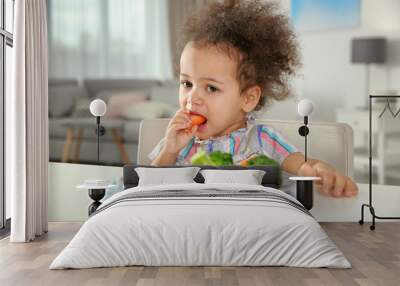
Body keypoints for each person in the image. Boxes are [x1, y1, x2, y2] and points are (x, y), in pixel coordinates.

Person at [150, 0, 357, 198]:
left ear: (248, 98)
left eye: (211, 88)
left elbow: (305, 166)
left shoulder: (262, 139)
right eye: (187, 84)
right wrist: (169, 150)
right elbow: (145, 190)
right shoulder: (178, 142)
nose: (192, 98)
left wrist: (322, 172)